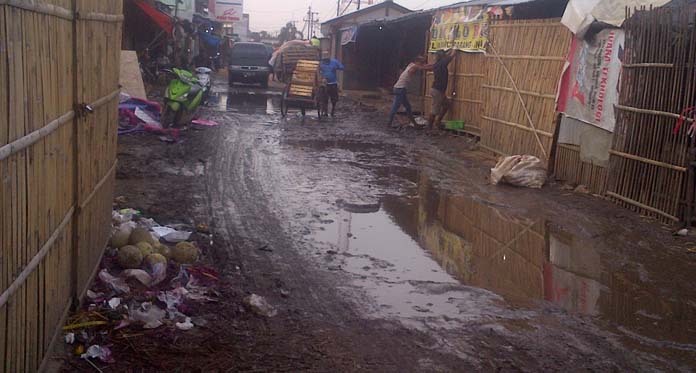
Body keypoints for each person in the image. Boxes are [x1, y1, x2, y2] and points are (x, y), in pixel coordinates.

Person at [388, 56, 428, 128]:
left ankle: (415, 124)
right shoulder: (415, 66)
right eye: (422, 62)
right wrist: (436, 65)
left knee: (408, 107)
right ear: (418, 62)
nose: (423, 63)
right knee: (395, 107)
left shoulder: (411, 64)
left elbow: (423, 67)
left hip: (399, 88)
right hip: (400, 89)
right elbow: (424, 68)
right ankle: (389, 124)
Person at [429, 49, 456, 130]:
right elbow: (452, 55)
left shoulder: (437, 64)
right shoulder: (442, 63)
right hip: (438, 91)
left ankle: (438, 122)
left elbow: (446, 55)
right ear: (443, 57)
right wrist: (454, 48)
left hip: (437, 90)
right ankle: (429, 128)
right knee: (434, 110)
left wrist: (447, 52)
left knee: (446, 105)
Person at [319, 51, 344, 116]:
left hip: (333, 83)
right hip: (324, 84)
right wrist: (321, 77)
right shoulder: (321, 63)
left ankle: (333, 110)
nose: (325, 61)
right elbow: (318, 71)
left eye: (326, 60)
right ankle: (325, 112)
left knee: (334, 99)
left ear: (329, 58)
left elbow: (342, 67)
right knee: (324, 99)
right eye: (324, 60)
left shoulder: (334, 62)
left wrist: (337, 67)